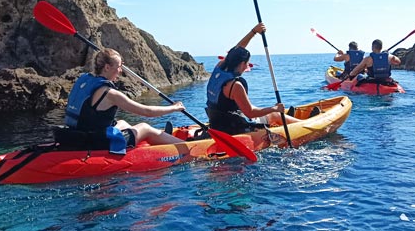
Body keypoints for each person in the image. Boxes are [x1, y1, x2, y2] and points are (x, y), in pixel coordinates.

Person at [57, 48, 185, 153]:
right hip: (97, 142)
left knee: (122, 122)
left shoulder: (84, 79)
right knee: (145, 127)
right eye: (118, 67)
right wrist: (174, 108)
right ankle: (187, 146)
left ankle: (158, 138)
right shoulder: (110, 94)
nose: (120, 71)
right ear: (107, 67)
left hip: (78, 134)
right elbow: (147, 112)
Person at [205, 23, 301, 135]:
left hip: (217, 122)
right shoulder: (235, 86)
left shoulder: (220, 66)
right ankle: (304, 124)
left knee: (257, 108)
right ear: (242, 64)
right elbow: (250, 113)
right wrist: (274, 108)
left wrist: (254, 32)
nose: (248, 66)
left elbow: (235, 51)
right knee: (274, 115)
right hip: (234, 127)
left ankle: (290, 118)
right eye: (247, 63)